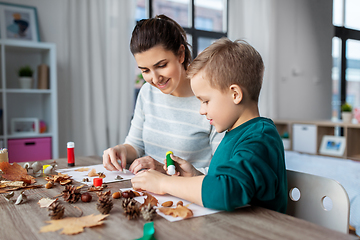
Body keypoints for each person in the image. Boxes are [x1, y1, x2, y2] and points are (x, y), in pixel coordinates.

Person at [131, 38, 288, 213]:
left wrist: (164, 183)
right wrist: (194, 175)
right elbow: (228, 180)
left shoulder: (260, 138)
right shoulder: (235, 133)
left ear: (235, 94)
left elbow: (226, 192)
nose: (201, 110)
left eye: (205, 101)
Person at [103, 15, 223, 175]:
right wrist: (121, 150)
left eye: (161, 65)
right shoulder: (147, 93)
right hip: (148, 193)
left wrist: (165, 171)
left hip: (188, 196)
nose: (155, 78)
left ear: (181, 54)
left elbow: (221, 173)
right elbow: (135, 146)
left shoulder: (210, 100)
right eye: (145, 70)